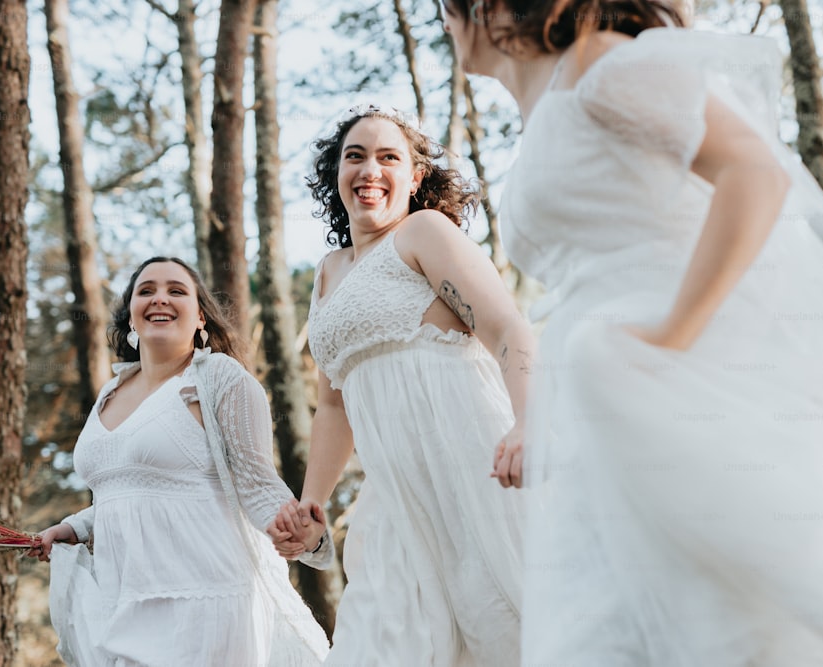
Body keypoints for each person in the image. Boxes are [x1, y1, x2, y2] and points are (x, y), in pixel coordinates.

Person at [440, 1, 823, 665]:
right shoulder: (537, 109)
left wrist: (673, 331)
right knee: (612, 620)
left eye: (447, 11)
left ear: (486, 7)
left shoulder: (601, 63)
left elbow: (754, 173)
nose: (447, 27)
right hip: (596, 401)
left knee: (737, 609)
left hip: (663, 370)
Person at [274, 105, 535, 666]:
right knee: (381, 644)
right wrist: (312, 502)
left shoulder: (421, 232)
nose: (371, 169)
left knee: (510, 625)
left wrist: (529, 421)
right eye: (355, 156)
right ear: (336, 175)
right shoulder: (327, 272)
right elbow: (333, 404)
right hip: (393, 496)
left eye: (388, 157)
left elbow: (508, 327)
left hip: (473, 470)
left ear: (414, 177)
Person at [29, 257, 330, 666]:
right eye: (146, 290)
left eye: (176, 290)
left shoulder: (221, 379)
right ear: (131, 316)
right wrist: (75, 527)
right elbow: (128, 493)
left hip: (206, 603)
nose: (160, 299)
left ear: (201, 316)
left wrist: (301, 531)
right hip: (122, 601)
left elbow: (257, 485)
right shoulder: (111, 391)